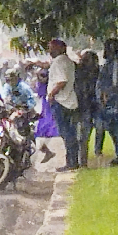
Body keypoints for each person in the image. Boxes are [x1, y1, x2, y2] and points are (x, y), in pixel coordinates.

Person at [33, 39, 80, 171]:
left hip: (61, 102)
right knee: (69, 132)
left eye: (51, 48)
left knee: (66, 133)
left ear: (59, 48)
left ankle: (72, 162)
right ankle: (72, 161)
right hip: (68, 101)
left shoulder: (60, 62)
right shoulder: (65, 61)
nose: (49, 51)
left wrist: (51, 95)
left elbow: (61, 82)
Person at [74, 50, 103, 166]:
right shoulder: (79, 72)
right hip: (84, 105)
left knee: (100, 128)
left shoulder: (99, 72)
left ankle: (97, 150)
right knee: (84, 135)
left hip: (96, 105)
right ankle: (83, 161)